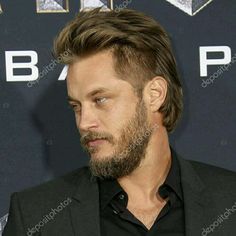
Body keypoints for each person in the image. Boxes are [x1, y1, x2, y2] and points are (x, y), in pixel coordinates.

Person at [3, 7, 236, 236]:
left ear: (154, 94)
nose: (84, 123)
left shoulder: (229, 202)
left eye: (100, 99)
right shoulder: (35, 216)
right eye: (76, 106)